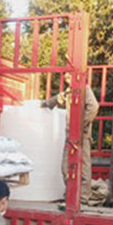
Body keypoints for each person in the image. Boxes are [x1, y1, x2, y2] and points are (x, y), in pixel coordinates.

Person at [42, 72, 100, 204]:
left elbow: (94, 107)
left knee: (83, 166)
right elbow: (59, 98)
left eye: (69, 77)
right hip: (70, 134)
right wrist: (44, 104)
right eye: (66, 78)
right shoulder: (70, 90)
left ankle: (83, 197)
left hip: (82, 134)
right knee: (65, 166)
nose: (67, 80)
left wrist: (80, 125)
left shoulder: (85, 89)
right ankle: (70, 194)